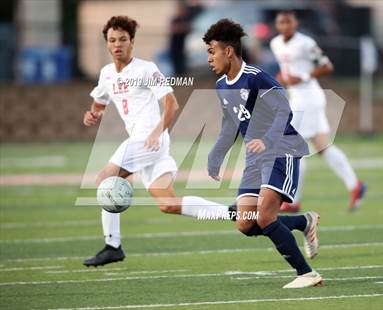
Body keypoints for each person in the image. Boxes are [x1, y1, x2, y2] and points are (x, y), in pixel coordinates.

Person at [82, 16, 231, 267]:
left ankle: (112, 245)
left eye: (123, 39)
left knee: (104, 180)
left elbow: (172, 105)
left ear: (132, 42)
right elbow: (100, 101)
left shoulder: (146, 69)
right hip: (146, 144)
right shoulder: (107, 74)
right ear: (107, 44)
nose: (117, 44)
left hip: (148, 140)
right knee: (168, 204)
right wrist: (94, 113)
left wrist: (155, 132)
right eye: (112, 40)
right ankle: (233, 212)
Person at [203, 18, 322, 288]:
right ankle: (304, 222)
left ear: (228, 51)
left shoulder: (256, 78)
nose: (209, 59)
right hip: (256, 158)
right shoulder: (222, 86)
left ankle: (307, 274)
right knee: (246, 224)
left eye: (212, 52)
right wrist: (216, 155)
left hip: (281, 148)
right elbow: (230, 124)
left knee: (265, 217)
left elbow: (284, 110)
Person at [270, 11, 366, 213]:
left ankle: (293, 200)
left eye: (288, 21)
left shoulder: (305, 43)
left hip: (309, 99)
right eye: (281, 22)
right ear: (277, 25)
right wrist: (283, 76)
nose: (285, 25)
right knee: (323, 147)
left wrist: (303, 76)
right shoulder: (275, 43)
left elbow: (327, 65)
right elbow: (286, 70)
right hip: (298, 98)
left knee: (292, 149)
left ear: (295, 23)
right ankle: (355, 185)